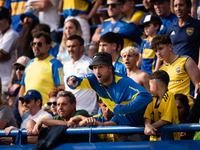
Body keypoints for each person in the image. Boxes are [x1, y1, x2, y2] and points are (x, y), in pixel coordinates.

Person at [67, 52, 153, 141]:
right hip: (123, 128)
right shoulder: (93, 79)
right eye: (95, 68)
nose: (97, 71)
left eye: (101, 67)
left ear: (110, 68)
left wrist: (123, 109)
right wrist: (71, 81)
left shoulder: (122, 82)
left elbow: (146, 97)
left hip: (139, 127)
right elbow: (77, 82)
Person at [18, 31, 64, 117]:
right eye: (33, 44)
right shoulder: (29, 63)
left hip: (47, 112)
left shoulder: (56, 63)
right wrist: (20, 107)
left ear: (48, 46)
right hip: (28, 113)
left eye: (39, 44)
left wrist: (47, 106)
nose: (36, 46)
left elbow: (61, 88)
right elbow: (22, 87)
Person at [151, 34, 200, 106]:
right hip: (169, 109)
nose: (158, 53)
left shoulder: (186, 61)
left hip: (185, 107)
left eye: (160, 48)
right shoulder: (161, 70)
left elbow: (198, 84)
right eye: (155, 51)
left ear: (170, 47)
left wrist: (195, 105)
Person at [64, 35, 98, 115]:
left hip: (88, 112)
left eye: (73, 46)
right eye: (68, 46)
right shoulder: (66, 65)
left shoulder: (89, 64)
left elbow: (98, 87)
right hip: (71, 113)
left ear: (81, 47)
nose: (70, 49)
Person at [144, 70, 180, 141]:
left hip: (170, 140)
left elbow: (166, 120)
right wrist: (147, 125)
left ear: (156, 85)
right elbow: (147, 116)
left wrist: (151, 127)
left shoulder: (169, 95)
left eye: (150, 85)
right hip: (154, 139)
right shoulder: (152, 98)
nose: (149, 88)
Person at [167, 0, 200, 69]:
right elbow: (168, 49)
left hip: (192, 69)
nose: (178, 8)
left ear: (188, 7)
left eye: (181, 5)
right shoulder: (171, 27)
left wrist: (199, 68)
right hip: (175, 69)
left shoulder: (197, 25)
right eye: (175, 6)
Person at [0, 7, 19, 102]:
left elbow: (1, 56)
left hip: (6, 82)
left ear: (7, 19)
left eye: (0, 18)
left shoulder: (11, 34)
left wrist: (3, 57)